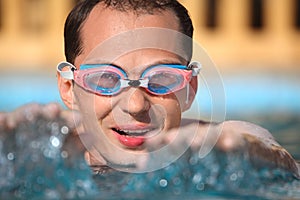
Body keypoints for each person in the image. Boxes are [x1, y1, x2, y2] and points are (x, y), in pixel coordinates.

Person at [1, 0, 299, 177]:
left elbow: (258, 144)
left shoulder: (209, 149)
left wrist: (254, 153)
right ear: (69, 88)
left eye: (160, 79)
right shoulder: (40, 158)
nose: (135, 105)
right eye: (106, 79)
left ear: (189, 87)